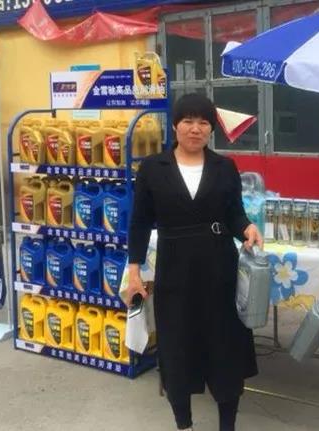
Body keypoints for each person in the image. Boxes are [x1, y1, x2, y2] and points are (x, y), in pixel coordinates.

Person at [126, 93, 263, 431]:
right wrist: (134, 270)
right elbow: (140, 221)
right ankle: (184, 424)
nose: (195, 128)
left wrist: (247, 227)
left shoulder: (224, 167)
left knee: (225, 350)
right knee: (178, 350)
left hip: (219, 270)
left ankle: (227, 425)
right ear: (174, 126)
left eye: (203, 122)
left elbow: (234, 213)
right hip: (175, 273)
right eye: (188, 121)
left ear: (211, 129)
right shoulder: (153, 168)